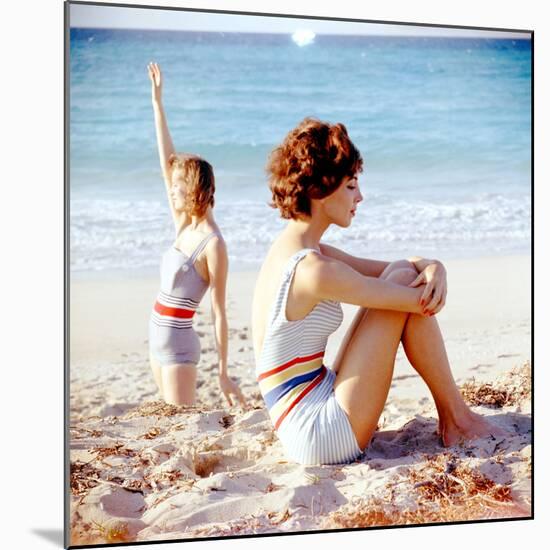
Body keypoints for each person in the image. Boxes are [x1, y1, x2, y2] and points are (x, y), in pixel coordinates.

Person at [252, 117, 506, 465]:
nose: (361, 196)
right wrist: (430, 278)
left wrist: (434, 265)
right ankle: (458, 420)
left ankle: (456, 417)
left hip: (308, 401)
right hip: (318, 434)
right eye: (351, 185)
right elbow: (418, 300)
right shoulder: (314, 271)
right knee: (403, 282)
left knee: (401, 273)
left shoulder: (299, 250)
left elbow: (395, 267)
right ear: (321, 190)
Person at [147, 62, 245, 408]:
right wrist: (158, 104)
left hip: (178, 347)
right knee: (167, 421)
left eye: (177, 187)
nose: (171, 191)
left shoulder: (213, 244)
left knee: (180, 423)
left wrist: (222, 372)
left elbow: (219, 312)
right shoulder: (183, 223)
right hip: (155, 336)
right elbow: (167, 163)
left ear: (191, 191)